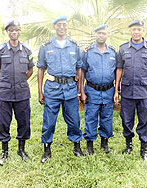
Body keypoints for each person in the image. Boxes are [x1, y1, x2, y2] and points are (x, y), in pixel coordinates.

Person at [37, 16, 83, 164]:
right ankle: (47, 149)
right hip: (52, 89)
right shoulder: (46, 47)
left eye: (64, 25)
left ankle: (77, 146)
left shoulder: (74, 46)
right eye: (59, 25)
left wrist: (80, 90)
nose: (61, 27)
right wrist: (40, 92)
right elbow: (40, 69)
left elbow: (79, 70)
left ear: (67, 27)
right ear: (54, 27)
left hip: (70, 88)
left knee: (74, 120)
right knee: (49, 121)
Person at [114, 20, 147, 161]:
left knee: (145, 120)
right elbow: (119, 69)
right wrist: (116, 90)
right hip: (127, 91)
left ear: (143, 31)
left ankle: (143, 149)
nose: (136, 32)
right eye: (134, 29)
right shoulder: (123, 48)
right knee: (126, 120)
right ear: (130, 31)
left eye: (139, 29)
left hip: (145, 92)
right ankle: (128, 146)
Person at [0, 20, 34, 166]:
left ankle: (21, 150)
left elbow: (30, 70)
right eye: (11, 30)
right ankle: (5, 151)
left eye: (16, 30)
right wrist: (5, 82)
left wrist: (20, 81)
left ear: (19, 31)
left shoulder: (27, 50)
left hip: (22, 92)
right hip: (4, 93)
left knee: (24, 121)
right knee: (3, 122)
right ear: (8, 32)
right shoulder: (0, 50)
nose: (14, 32)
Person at [80, 25, 117, 155]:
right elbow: (82, 72)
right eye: (99, 33)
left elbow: (118, 71)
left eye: (104, 33)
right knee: (91, 117)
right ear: (95, 34)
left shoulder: (113, 52)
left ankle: (104, 142)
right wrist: (82, 92)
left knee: (107, 117)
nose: (101, 35)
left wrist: (117, 90)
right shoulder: (87, 52)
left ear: (107, 35)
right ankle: (89, 145)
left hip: (108, 90)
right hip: (92, 90)